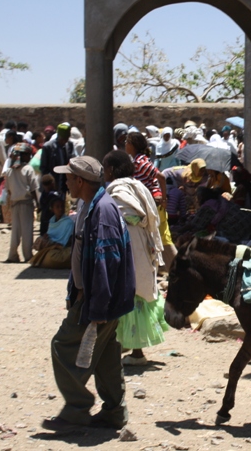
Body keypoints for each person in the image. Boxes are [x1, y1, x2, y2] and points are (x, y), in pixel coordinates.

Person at [44, 156, 135, 431]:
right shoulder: (89, 205)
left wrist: (97, 308)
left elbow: (107, 262)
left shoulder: (103, 211)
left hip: (100, 300)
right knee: (106, 356)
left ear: (80, 181)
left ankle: (76, 408)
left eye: (69, 178)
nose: (66, 183)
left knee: (62, 347)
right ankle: (114, 412)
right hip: (100, 299)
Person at [102, 150, 170, 367]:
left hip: (128, 244)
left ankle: (136, 352)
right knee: (137, 292)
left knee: (129, 293)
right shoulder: (137, 185)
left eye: (105, 169)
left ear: (111, 170)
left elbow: (125, 214)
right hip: (141, 243)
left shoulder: (118, 190)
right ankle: (128, 346)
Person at [126, 132, 176, 271]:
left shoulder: (139, 162)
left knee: (164, 241)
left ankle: (178, 271)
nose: (125, 145)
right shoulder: (138, 159)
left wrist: (164, 199)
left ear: (132, 145)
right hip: (153, 205)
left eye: (127, 142)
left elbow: (160, 176)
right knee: (159, 239)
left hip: (154, 204)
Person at [174, 187, 251, 243]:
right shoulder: (220, 201)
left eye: (198, 198)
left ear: (202, 197)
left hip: (240, 233)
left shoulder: (208, 206)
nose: (196, 200)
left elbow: (195, 225)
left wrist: (177, 231)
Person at [3, 143, 40, 263]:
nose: (29, 157)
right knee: (27, 230)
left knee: (16, 231)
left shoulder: (9, 171)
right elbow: (34, 188)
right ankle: (27, 255)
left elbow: (8, 190)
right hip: (26, 203)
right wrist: (38, 204)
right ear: (23, 156)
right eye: (28, 155)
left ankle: (12, 255)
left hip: (15, 203)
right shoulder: (28, 169)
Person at [30, 194, 73, 269]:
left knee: (55, 256)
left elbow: (67, 239)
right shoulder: (52, 220)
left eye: (62, 206)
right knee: (40, 240)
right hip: (52, 245)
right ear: (52, 209)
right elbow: (51, 234)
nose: (60, 209)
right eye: (57, 207)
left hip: (62, 246)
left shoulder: (68, 222)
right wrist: (47, 237)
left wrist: (58, 244)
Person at [40, 123, 75, 195]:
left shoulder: (69, 145)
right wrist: (51, 182)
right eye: (63, 139)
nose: (64, 141)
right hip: (51, 187)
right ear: (59, 136)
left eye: (66, 139)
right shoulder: (48, 147)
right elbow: (44, 168)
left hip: (63, 186)